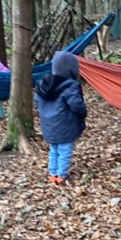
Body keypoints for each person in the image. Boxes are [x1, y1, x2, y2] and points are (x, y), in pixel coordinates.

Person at [35, 51, 87, 184]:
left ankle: (53, 174)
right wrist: (83, 113)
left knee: (54, 150)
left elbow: (38, 101)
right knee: (65, 151)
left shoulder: (43, 84)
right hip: (66, 126)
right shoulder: (69, 85)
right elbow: (76, 104)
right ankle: (62, 175)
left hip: (49, 126)